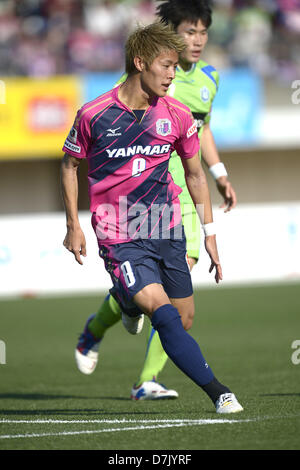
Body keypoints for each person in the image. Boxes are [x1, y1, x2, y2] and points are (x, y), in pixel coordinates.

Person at [62, 21, 242, 413]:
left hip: (166, 225)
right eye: (166, 66)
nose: (173, 75)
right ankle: (219, 392)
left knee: (184, 316)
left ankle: (125, 302)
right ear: (140, 62)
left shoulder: (177, 114)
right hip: (118, 230)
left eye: (176, 67)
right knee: (164, 316)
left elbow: (194, 174)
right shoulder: (95, 114)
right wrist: (73, 225)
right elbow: (70, 164)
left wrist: (209, 233)